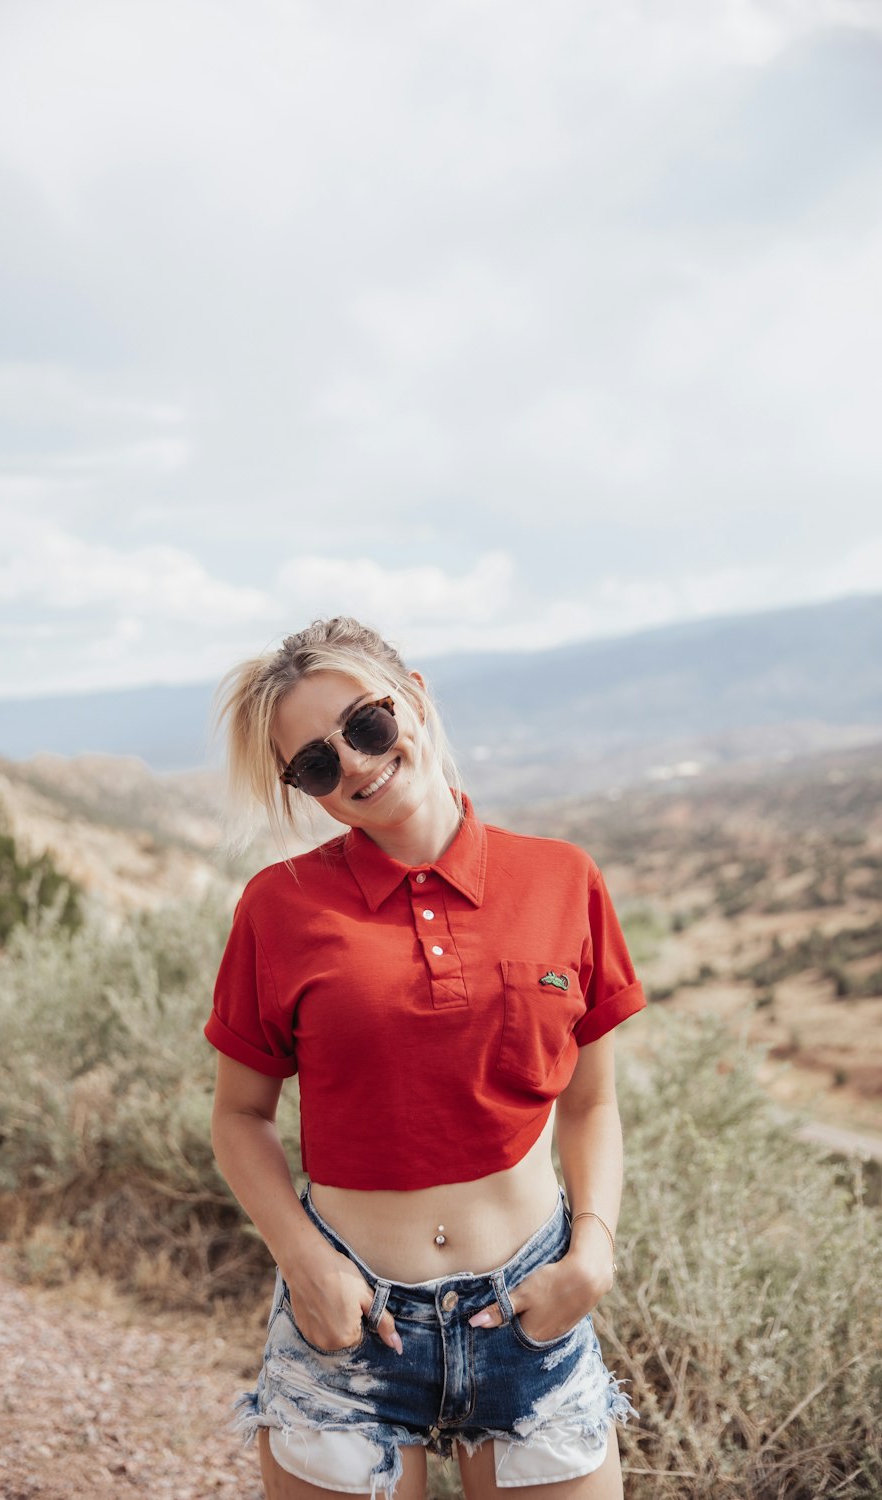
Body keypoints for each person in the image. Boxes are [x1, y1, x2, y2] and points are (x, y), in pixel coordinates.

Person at [206, 617, 646, 1500]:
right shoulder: (278, 907)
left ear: (411, 693)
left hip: (533, 1315)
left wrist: (592, 1252)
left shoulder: (564, 878)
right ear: (306, 790)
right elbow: (239, 1115)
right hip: (348, 1324)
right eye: (318, 764)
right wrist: (303, 1262)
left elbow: (591, 1103)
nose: (358, 765)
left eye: (366, 724)